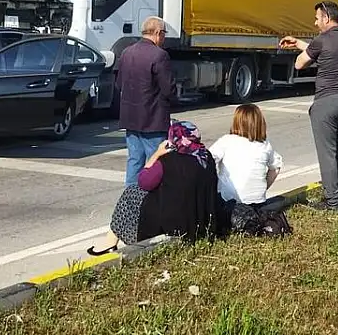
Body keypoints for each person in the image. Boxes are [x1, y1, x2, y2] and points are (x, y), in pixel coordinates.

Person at [87, 120, 222, 255]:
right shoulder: (206, 157)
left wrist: (157, 154)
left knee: (132, 193)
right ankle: (110, 242)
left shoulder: (168, 161)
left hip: (174, 224)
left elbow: (143, 182)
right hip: (202, 220)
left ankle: (110, 242)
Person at [281, 0, 338, 211]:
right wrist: (299, 42)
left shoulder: (322, 40)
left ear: (326, 17)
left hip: (326, 102)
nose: (315, 23)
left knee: (327, 153)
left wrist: (299, 50)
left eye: (317, 18)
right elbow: (324, 52)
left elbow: (300, 63)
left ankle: (332, 201)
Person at [116, 16, 175, 186]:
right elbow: (168, 89)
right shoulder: (160, 55)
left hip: (130, 118)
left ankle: (130, 199)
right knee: (156, 161)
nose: (164, 38)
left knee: (134, 160)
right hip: (153, 120)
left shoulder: (127, 52)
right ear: (157, 32)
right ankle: (153, 202)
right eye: (163, 33)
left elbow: (119, 83)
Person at [209, 104, 284, 206]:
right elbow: (276, 167)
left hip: (229, 202)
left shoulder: (227, 141)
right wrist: (264, 186)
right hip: (258, 202)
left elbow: (207, 160)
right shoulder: (265, 145)